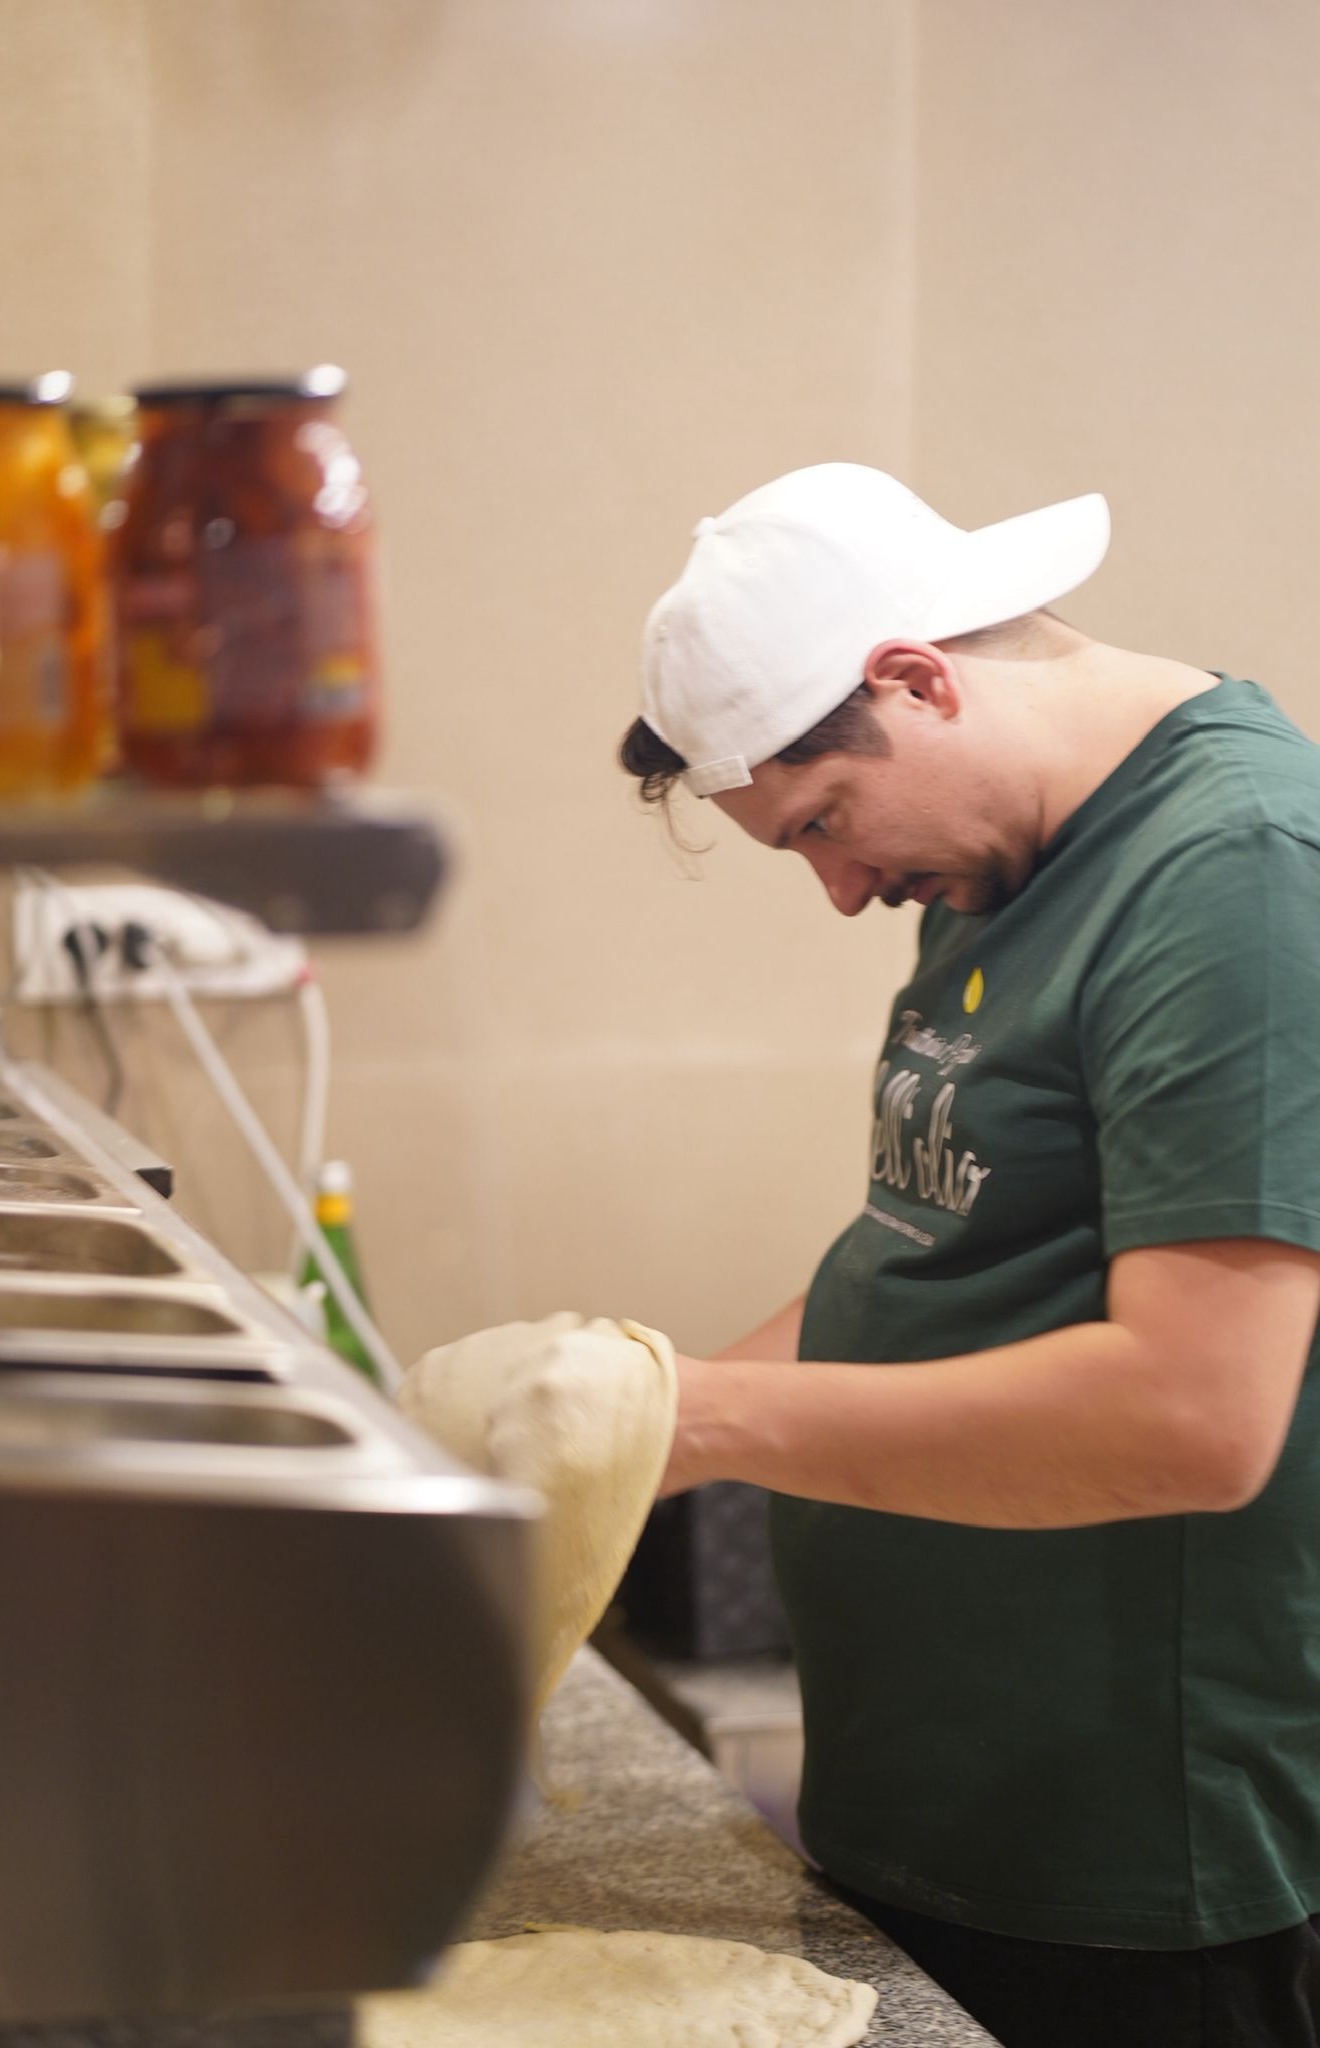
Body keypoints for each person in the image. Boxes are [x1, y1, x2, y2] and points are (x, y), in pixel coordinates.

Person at [618, 462, 1320, 2048]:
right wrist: (611, 1421)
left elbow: (1194, 1417)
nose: (842, 892)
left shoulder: (1237, 871)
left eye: (822, 825)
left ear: (915, 681)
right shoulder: (1002, 852)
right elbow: (930, 1247)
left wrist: (701, 1424)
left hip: (1130, 1863)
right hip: (935, 1798)